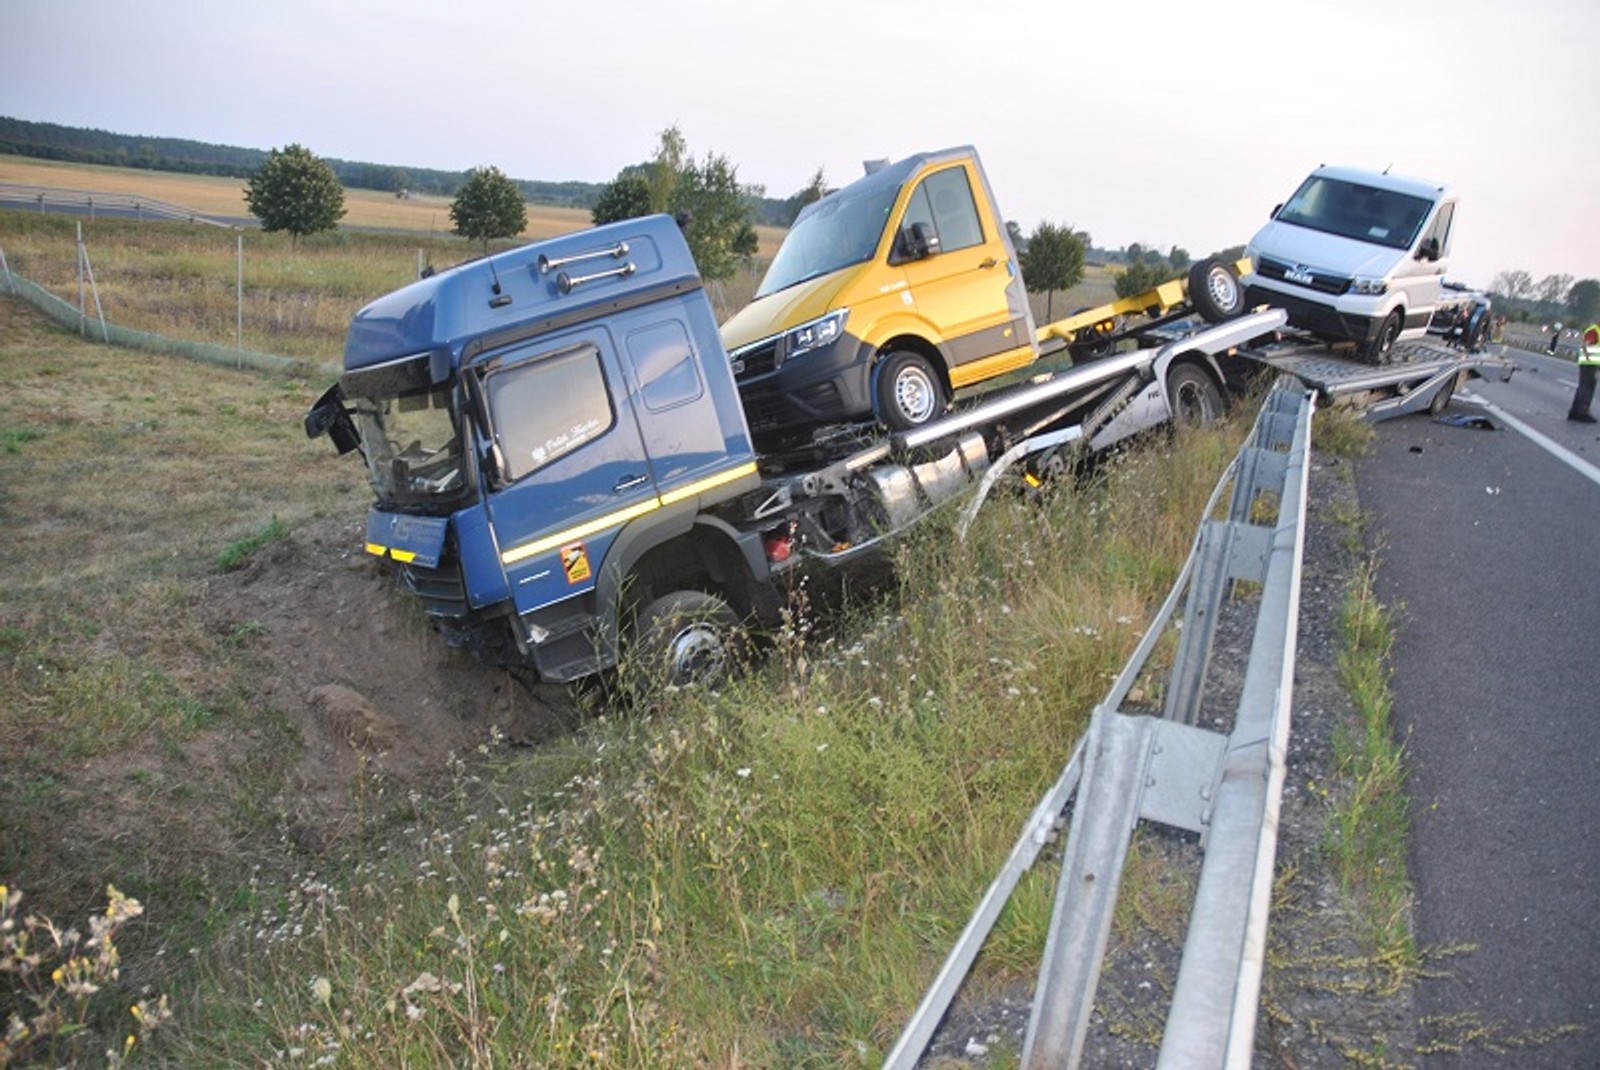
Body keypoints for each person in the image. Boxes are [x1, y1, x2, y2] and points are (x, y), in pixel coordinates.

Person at [1569, 322, 1600, 424]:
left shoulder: (1596, 331)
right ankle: (1582, 412)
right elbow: (1586, 345)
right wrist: (1589, 358)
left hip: (1592, 364)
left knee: (1584, 387)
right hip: (1590, 364)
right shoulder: (1594, 330)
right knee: (1587, 388)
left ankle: (1575, 411)